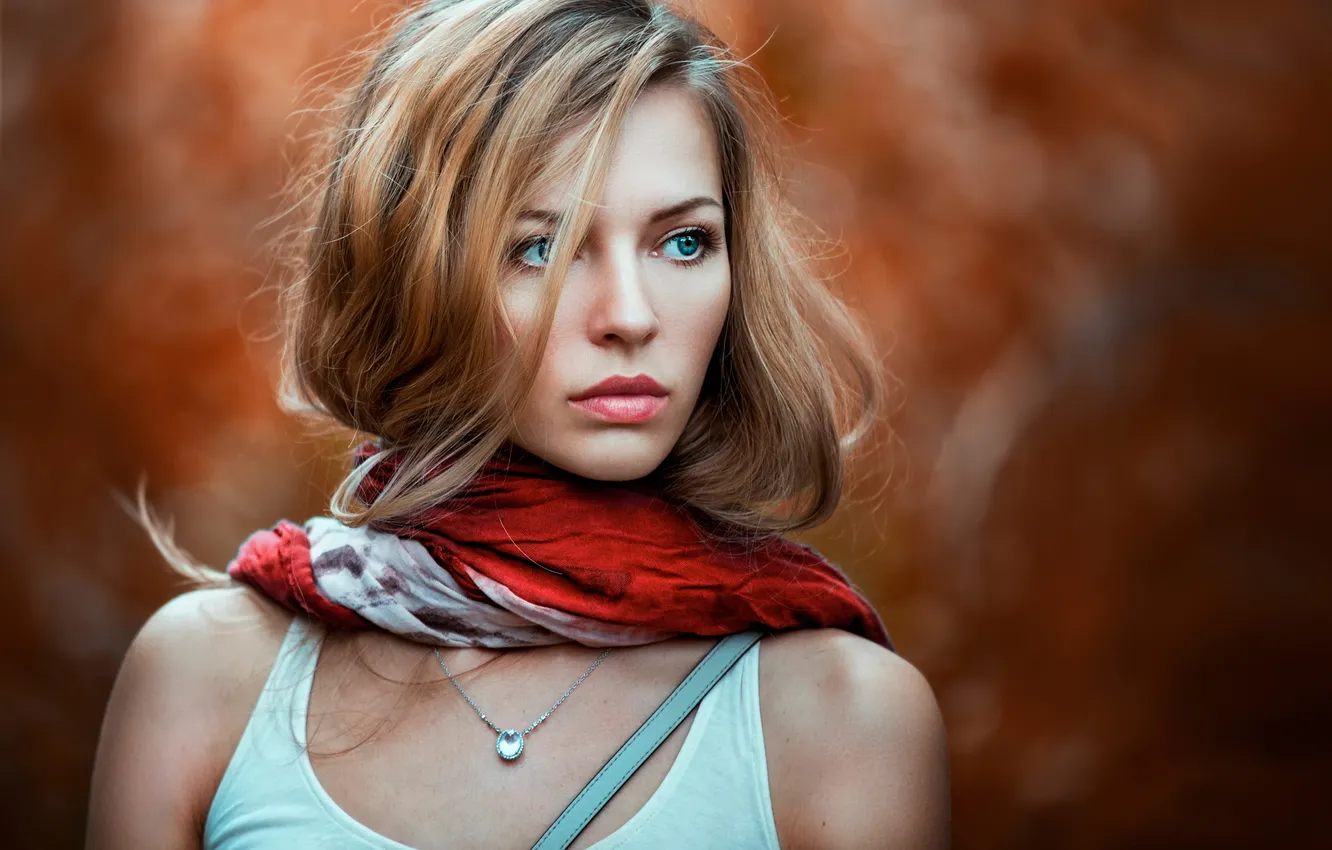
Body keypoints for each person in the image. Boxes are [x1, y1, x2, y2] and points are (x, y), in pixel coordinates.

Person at [87, 1, 950, 847]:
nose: (630, 316)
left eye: (683, 242)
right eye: (540, 247)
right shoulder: (206, 681)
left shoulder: (845, 722)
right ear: (417, 274)